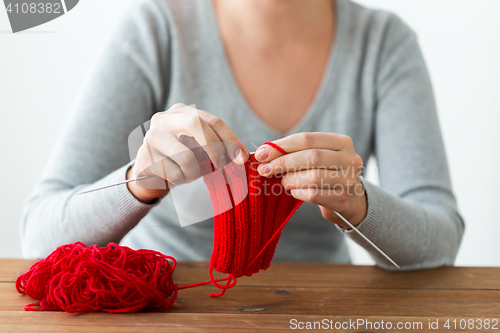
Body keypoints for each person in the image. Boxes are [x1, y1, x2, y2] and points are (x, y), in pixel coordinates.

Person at [20, 0, 464, 270]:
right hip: (165, 312)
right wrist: (141, 181)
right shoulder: (155, 28)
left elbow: (440, 238)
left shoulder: (384, 44)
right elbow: (40, 234)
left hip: (317, 315)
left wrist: (357, 202)